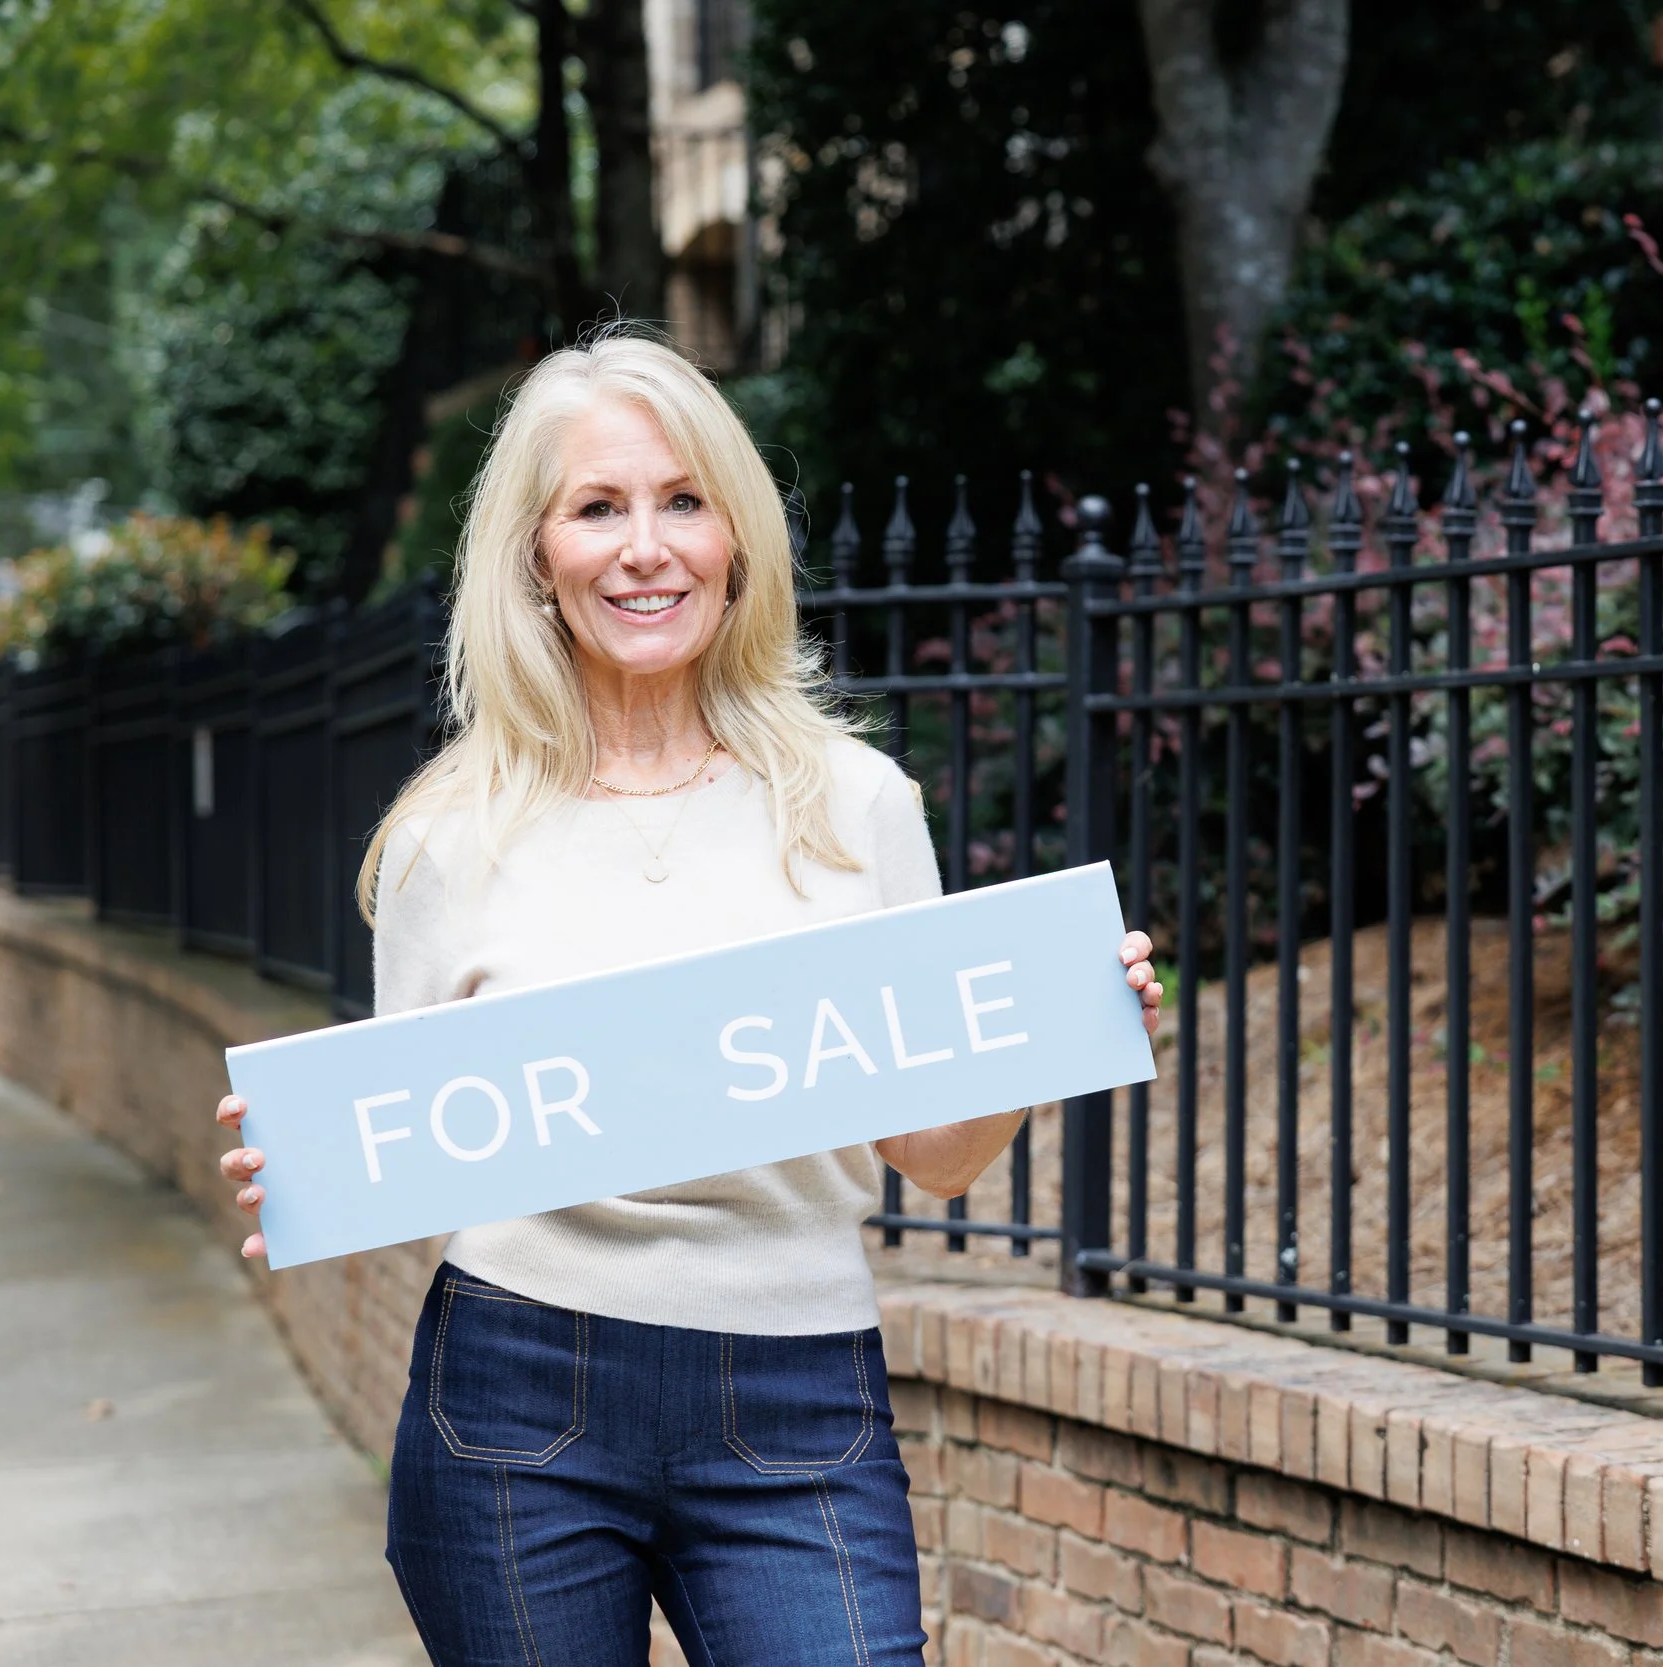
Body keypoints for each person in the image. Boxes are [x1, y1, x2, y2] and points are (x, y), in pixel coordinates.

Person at [210, 332, 1163, 1667]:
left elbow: (934, 1157)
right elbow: (422, 1155)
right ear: (538, 554)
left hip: (795, 1398)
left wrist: (1039, 1025)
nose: (645, 546)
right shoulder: (449, 837)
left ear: (737, 535)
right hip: (516, 1397)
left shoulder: (857, 807)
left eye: (683, 500)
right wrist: (304, 1168)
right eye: (598, 507)